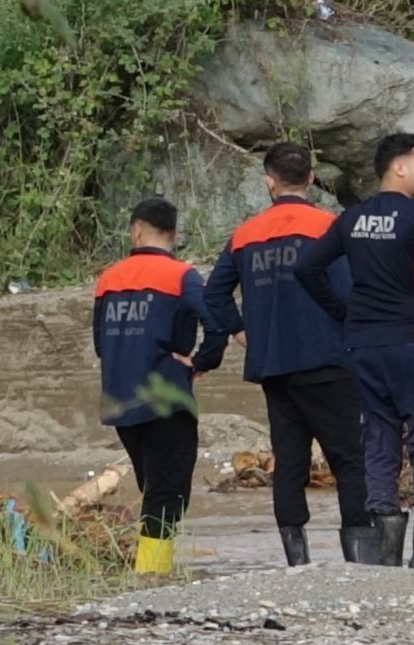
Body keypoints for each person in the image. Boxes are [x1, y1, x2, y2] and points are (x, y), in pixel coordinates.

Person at [293, 133, 414, 573]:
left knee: (380, 442)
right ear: (399, 167)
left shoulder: (351, 218)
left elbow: (307, 267)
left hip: (365, 346)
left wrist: (342, 312)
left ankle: (384, 561)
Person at [204, 142, 375, 566]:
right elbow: (357, 290)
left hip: (275, 368)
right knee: (351, 460)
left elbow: (214, 294)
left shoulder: (246, 234)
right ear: (312, 180)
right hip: (330, 361)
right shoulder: (331, 227)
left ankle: (296, 563)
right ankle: (360, 561)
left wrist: (241, 332)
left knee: (290, 463)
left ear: (269, 182)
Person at [93, 197, 227, 575]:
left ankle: (150, 567)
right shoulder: (182, 275)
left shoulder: (108, 279)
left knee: (153, 487)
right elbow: (216, 323)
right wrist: (202, 361)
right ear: (174, 233)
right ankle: (151, 575)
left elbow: (101, 344)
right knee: (167, 494)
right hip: (166, 397)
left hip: (120, 400)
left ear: (136, 229)